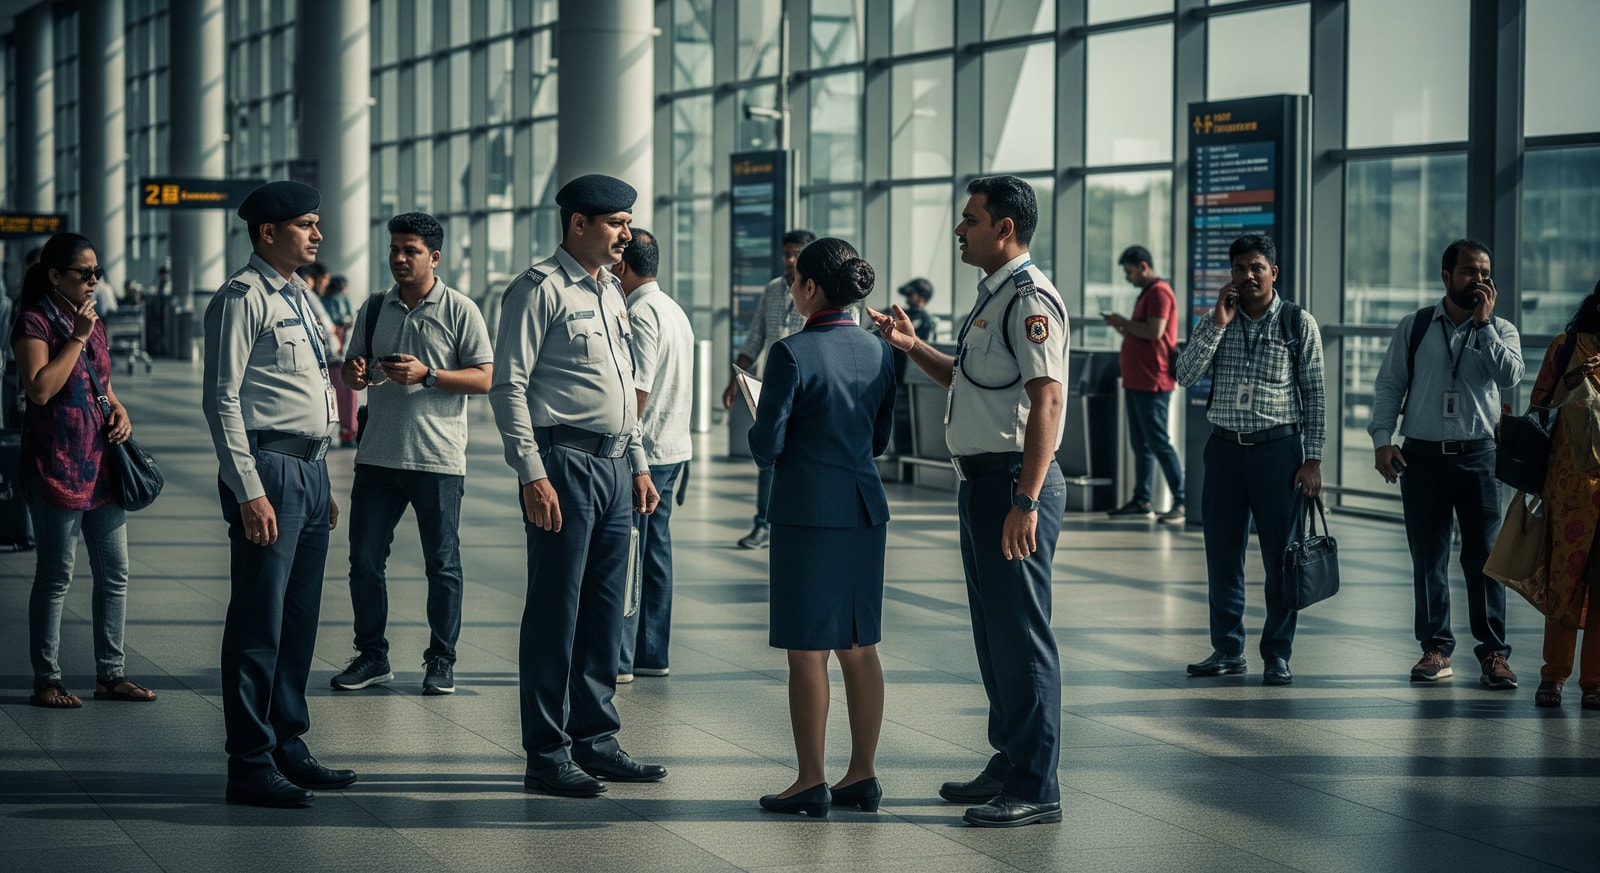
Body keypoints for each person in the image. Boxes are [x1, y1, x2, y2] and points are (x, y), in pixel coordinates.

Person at [869, 175, 1069, 828]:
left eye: (970, 219)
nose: (960, 230)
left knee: (1022, 634)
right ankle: (1009, 758)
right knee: (994, 635)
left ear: (1004, 228)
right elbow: (969, 378)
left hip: (1016, 482)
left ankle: (1037, 784)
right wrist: (912, 347)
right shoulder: (993, 300)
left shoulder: (1031, 297)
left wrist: (1028, 498)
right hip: (984, 484)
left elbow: (1048, 401)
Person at [489, 174, 667, 799]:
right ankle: (546, 750)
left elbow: (623, 392)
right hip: (562, 464)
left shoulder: (612, 294)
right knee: (555, 611)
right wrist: (531, 472)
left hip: (617, 466)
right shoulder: (538, 290)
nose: (626, 233)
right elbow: (507, 386)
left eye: (625, 223)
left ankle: (596, 738)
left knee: (602, 612)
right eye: (616, 222)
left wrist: (640, 463)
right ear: (578, 224)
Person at [202, 180, 355, 808]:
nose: (318, 235)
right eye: (306, 224)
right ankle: (250, 761)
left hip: (310, 474)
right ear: (268, 232)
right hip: (269, 471)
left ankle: (289, 742)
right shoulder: (241, 298)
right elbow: (223, 398)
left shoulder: (298, 298)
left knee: (299, 620)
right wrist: (249, 488)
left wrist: (321, 477)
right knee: (258, 621)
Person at [751, 238, 895, 819]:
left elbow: (768, 447)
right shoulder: (883, 352)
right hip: (863, 508)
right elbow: (880, 441)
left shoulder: (791, 353)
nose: (790, 289)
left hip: (807, 512)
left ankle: (810, 779)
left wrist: (757, 412)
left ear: (810, 288)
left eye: (794, 280)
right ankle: (862, 774)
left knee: (807, 652)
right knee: (859, 647)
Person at [331, 212, 493, 696]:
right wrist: (356, 372)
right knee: (364, 560)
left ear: (434, 257)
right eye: (394, 250)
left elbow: (485, 377)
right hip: (377, 456)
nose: (399, 259)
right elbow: (351, 369)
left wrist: (429, 375)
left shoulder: (461, 309)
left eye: (411, 251)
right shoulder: (375, 307)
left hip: (437, 460)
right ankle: (372, 656)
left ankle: (441, 659)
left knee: (441, 564)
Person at [1368, 239, 1524, 688]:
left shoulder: (1502, 329)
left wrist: (1484, 325)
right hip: (1421, 457)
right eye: (1469, 272)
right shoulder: (1414, 326)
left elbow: (1510, 377)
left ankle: (1494, 653)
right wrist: (1383, 441)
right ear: (1446, 276)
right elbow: (1389, 387)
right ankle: (1435, 650)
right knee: (1429, 559)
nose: (1479, 280)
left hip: (1480, 457)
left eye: (1485, 273)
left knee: (1486, 559)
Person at [10, 232, 154, 709]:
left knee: (116, 572)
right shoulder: (35, 322)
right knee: (56, 575)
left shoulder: (96, 324)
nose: (94, 281)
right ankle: (46, 678)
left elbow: (102, 386)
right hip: (55, 464)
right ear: (55, 276)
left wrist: (121, 410)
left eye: (97, 272)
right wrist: (74, 336)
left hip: (101, 465)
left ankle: (110, 674)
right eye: (84, 273)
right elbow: (39, 389)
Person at [1175, 234, 1325, 687]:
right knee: (1222, 556)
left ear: (1273, 272)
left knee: (1282, 557)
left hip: (1279, 454)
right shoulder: (1217, 320)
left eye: (1257, 267)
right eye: (1240, 269)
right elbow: (1184, 375)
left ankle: (1277, 654)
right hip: (1223, 451)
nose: (1248, 276)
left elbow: (1315, 394)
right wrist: (1216, 325)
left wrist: (1313, 459)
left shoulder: (1298, 323)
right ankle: (1227, 649)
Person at [722, 229, 861, 550]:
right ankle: (764, 524)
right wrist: (735, 380)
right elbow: (755, 336)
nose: (788, 260)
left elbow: (845, 335)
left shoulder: (833, 292)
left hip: (812, 386)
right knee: (769, 453)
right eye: (785, 253)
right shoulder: (773, 289)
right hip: (775, 382)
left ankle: (804, 518)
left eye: (795, 254)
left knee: (802, 452)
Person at [611, 229, 694, 683]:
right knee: (655, 550)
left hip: (647, 451)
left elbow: (635, 392)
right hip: (673, 448)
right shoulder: (673, 309)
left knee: (630, 551)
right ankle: (651, 653)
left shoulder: (640, 313)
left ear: (623, 266)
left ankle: (621, 658)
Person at [1527, 283, 1600, 708]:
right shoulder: (1567, 344)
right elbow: (1541, 405)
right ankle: (1553, 677)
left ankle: (1594, 682)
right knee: (1565, 584)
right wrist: (1575, 377)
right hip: (1571, 486)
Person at [1102, 245, 1185, 522]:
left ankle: (1181, 500)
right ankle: (1142, 499)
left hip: (1153, 382)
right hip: (1138, 382)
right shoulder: (1148, 293)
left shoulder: (1159, 292)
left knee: (1158, 442)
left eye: (1129, 271)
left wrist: (1123, 322)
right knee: (1141, 445)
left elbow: (1155, 330)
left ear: (1144, 266)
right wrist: (1123, 325)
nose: (1128, 277)